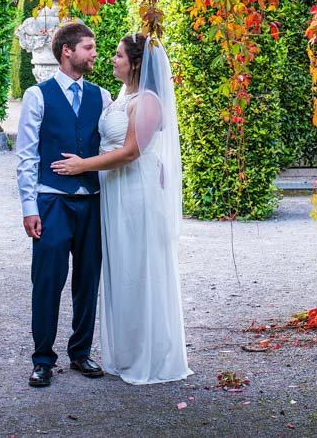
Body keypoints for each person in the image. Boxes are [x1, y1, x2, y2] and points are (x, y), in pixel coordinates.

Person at [51, 33, 192, 385]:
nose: (110, 59)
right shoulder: (119, 97)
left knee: (139, 269)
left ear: (135, 63)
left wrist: (83, 166)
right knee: (119, 271)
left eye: (117, 55)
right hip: (113, 192)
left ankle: (150, 356)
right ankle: (124, 353)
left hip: (135, 192)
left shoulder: (147, 101)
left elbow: (131, 152)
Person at [15, 22, 112, 388]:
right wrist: (29, 207)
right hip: (51, 201)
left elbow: (111, 147)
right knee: (47, 281)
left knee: (88, 280)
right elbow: (26, 156)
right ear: (67, 51)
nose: (94, 53)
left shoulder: (101, 97)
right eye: (88, 47)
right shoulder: (37, 96)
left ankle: (81, 353)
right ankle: (42, 359)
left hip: (91, 202)